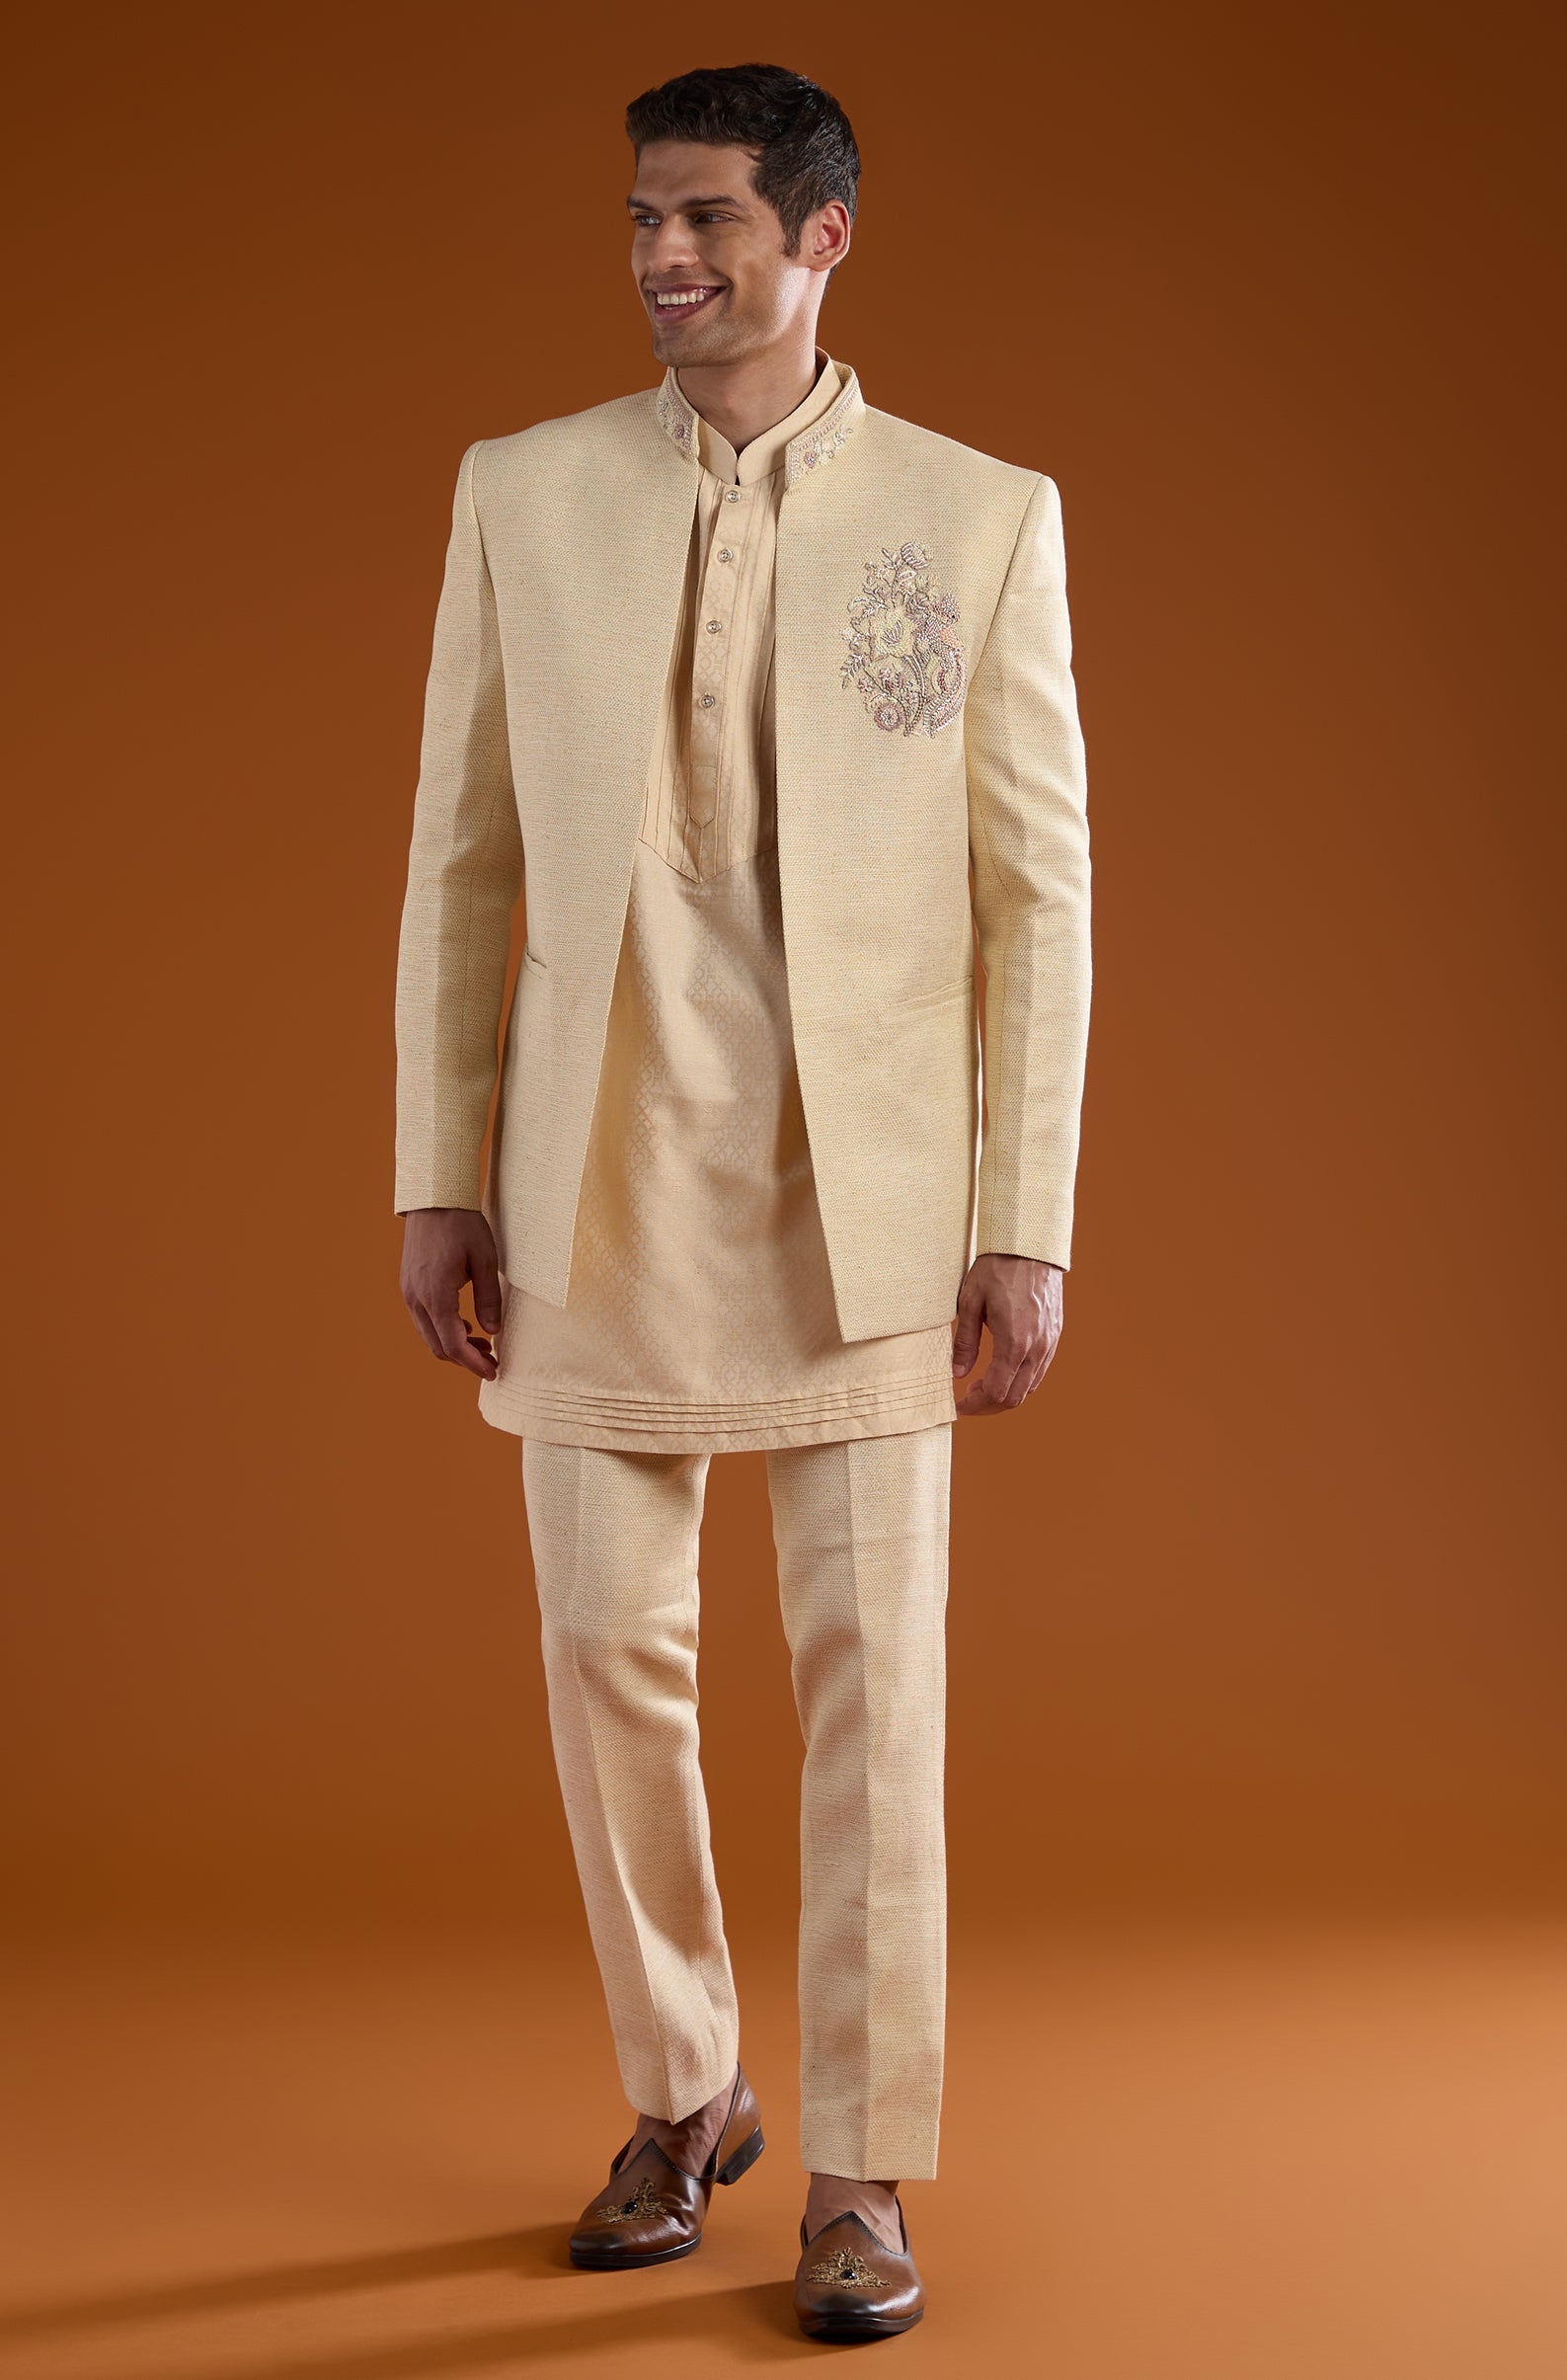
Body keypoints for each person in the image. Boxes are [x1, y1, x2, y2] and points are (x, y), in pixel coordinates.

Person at [394, 60, 1090, 2344]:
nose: (662, 257)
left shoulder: (976, 515)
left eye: (704, 218)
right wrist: (435, 1169)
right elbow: (461, 857)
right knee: (608, 1652)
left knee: (878, 1691)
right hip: (592, 1185)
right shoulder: (524, 490)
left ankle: (864, 2168)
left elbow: (1040, 900)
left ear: (823, 237)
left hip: (866, 1205)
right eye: (641, 219)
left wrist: (1025, 1215)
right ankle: (689, 2087)